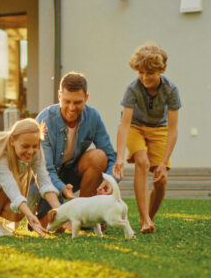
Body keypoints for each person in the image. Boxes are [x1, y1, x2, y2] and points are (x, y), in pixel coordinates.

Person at [32, 71, 117, 227]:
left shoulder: (93, 117)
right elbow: (46, 170)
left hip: (72, 173)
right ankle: (43, 214)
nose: (72, 108)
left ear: (86, 98)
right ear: (59, 96)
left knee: (99, 156)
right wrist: (63, 190)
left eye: (77, 102)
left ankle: (86, 215)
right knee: (55, 226)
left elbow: (111, 156)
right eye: (67, 101)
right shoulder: (45, 120)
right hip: (46, 180)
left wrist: (111, 181)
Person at [113, 44, 180, 234]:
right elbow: (124, 124)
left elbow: (173, 129)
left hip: (160, 129)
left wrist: (165, 160)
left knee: (161, 180)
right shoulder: (133, 89)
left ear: (162, 70)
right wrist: (119, 157)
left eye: (149, 73)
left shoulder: (171, 90)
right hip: (135, 127)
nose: (144, 77)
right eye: (140, 72)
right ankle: (143, 219)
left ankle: (150, 217)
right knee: (141, 161)